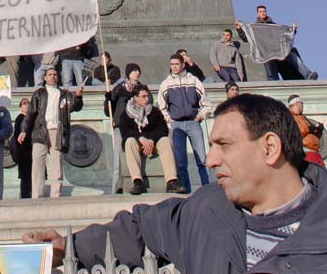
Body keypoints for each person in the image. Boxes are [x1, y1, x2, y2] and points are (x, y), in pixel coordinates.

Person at [24, 94, 327, 273]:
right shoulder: (205, 210)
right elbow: (139, 229)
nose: (210, 160)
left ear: (270, 148)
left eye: (224, 145)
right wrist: (69, 246)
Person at [19, 66, 83, 199]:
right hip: (40, 131)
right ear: (45, 78)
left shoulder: (64, 94)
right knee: (37, 164)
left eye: (54, 74)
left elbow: (75, 107)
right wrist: (24, 130)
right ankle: (37, 194)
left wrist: (78, 97)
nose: (53, 76)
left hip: (57, 131)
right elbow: (30, 113)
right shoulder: (39, 93)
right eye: (50, 74)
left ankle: (55, 195)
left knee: (56, 165)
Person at [157, 53, 212, 192]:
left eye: (176, 64)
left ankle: (208, 189)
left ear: (183, 65)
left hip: (193, 122)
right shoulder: (166, 84)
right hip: (177, 125)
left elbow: (206, 103)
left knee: (202, 159)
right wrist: (169, 120)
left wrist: (200, 116)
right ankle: (186, 191)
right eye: (172, 64)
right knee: (180, 162)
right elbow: (161, 107)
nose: (174, 67)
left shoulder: (194, 81)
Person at [119, 84, 186, 195]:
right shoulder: (126, 114)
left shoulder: (154, 111)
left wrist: (151, 140)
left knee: (165, 140)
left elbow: (162, 129)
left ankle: (171, 182)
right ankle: (137, 182)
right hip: (138, 142)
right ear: (135, 97)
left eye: (147, 96)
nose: (147, 99)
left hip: (153, 142)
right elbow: (125, 131)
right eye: (143, 96)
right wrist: (140, 138)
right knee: (129, 141)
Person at [235, 5, 318, 81]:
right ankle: (274, 85)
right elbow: (246, 38)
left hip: (279, 51)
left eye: (264, 11)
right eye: (261, 12)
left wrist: (293, 30)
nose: (263, 13)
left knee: (293, 56)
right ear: (258, 13)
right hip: (266, 53)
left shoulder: (274, 25)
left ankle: (309, 75)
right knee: (271, 73)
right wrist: (239, 29)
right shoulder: (255, 27)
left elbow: (285, 34)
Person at [107, 63, 143, 194]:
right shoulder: (119, 88)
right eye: (134, 70)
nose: (136, 72)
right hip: (120, 125)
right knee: (118, 158)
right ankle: (117, 187)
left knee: (135, 154)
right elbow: (109, 110)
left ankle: (136, 182)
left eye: (138, 70)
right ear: (128, 73)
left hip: (136, 125)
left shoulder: (142, 89)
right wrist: (108, 99)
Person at [288, 95, 324, 167]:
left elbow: (310, 132)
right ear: (296, 103)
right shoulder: (290, 117)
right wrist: (309, 129)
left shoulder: (302, 117)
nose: (302, 106)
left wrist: (318, 130)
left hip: (314, 151)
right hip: (306, 151)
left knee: (322, 174)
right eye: (301, 103)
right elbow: (295, 132)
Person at [12, 97, 33, 198]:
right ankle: (25, 195)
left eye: (28, 103)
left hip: (32, 149)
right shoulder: (19, 118)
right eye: (24, 103)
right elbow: (17, 135)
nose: (26, 105)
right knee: (25, 176)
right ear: (21, 107)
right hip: (24, 150)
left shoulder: (33, 117)